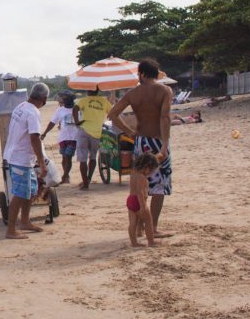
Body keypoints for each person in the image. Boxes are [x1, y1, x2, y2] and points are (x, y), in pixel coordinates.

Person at [107, 58, 174, 236]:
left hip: (140, 142)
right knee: (159, 187)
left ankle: (138, 228)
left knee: (140, 187)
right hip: (157, 141)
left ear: (142, 74)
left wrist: (129, 132)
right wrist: (165, 145)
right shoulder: (165, 90)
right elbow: (164, 118)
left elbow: (112, 114)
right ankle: (153, 228)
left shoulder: (133, 93)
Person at [2, 82, 50, 240]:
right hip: (20, 158)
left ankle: (24, 221)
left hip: (20, 155)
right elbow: (35, 138)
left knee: (31, 189)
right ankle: (11, 230)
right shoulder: (33, 112)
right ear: (44, 99)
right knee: (20, 194)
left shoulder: (21, 106)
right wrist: (42, 163)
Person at [72, 87, 112, 190]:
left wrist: (77, 122)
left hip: (84, 131)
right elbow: (112, 113)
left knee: (82, 159)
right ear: (98, 91)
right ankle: (89, 178)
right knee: (93, 157)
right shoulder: (104, 102)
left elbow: (75, 108)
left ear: (87, 90)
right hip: (96, 133)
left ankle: (85, 184)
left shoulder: (84, 100)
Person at [41, 94, 77, 184]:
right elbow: (52, 122)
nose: (63, 102)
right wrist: (45, 133)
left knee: (68, 157)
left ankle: (64, 176)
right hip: (63, 137)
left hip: (74, 138)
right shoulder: (60, 110)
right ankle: (67, 176)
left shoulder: (77, 109)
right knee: (64, 157)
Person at [126, 153, 159, 248]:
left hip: (130, 200)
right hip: (138, 201)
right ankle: (151, 242)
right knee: (148, 221)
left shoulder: (133, 172)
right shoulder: (141, 177)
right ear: (146, 166)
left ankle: (134, 243)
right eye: (151, 170)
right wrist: (143, 206)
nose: (150, 173)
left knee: (132, 223)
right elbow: (140, 192)